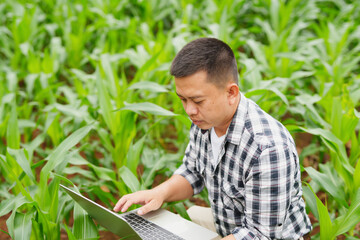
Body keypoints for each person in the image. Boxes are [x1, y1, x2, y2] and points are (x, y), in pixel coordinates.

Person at [114, 38, 312, 240]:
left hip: (267, 235)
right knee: (187, 217)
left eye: (198, 100)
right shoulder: (205, 121)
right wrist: (159, 193)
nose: (190, 110)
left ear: (231, 92)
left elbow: (259, 234)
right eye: (183, 99)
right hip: (228, 225)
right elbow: (192, 173)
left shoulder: (267, 148)